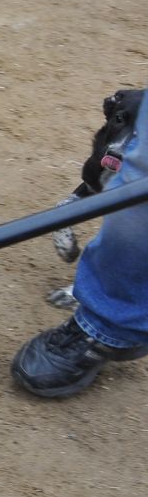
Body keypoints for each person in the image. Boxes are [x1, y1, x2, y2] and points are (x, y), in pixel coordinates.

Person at [13, 92, 148, 397]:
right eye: (121, 122)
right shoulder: (104, 159)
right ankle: (114, 317)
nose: (125, 142)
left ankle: (110, 324)